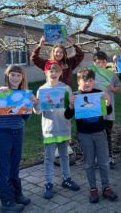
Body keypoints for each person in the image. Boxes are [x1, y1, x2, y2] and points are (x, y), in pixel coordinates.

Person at [0, 65, 37, 213]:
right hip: (3, 134)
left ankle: (17, 195)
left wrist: (30, 103)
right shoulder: (2, 91)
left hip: (18, 133)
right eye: (12, 75)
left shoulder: (23, 94)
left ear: (22, 78)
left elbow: (26, 117)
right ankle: (6, 202)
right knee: (4, 169)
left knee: (14, 167)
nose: (15, 78)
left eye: (18, 75)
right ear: (7, 76)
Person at [64, 67, 118, 203]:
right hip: (84, 135)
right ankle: (93, 188)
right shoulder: (75, 96)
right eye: (84, 80)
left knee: (104, 162)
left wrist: (108, 102)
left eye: (90, 80)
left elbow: (107, 111)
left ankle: (106, 187)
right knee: (89, 163)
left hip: (100, 132)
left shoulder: (98, 93)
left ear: (94, 82)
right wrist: (70, 105)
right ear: (79, 82)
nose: (87, 83)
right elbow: (67, 115)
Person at [33, 60, 80, 199]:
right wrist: (36, 104)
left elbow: (70, 109)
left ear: (61, 72)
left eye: (56, 71)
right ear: (46, 73)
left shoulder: (66, 88)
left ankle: (67, 179)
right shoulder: (41, 90)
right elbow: (37, 110)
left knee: (65, 156)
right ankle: (49, 183)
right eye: (51, 71)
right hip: (49, 129)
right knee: (49, 158)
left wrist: (73, 103)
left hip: (64, 127)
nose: (53, 74)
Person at [93, 51, 121, 169]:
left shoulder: (112, 75)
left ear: (106, 62)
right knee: (95, 135)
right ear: (94, 63)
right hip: (94, 111)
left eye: (103, 62)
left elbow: (119, 88)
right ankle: (96, 159)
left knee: (107, 135)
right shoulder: (91, 75)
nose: (101, 64)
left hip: (109, 110)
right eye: (98, 62)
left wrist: (113, 88)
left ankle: (109, 158)